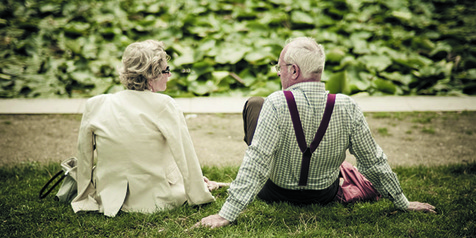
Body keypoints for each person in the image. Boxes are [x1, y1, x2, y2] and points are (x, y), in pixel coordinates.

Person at [196, 37, 436, 228]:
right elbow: (373, 160)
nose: (278, 72)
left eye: (280, 68)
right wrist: (402, 202)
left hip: (275, 191)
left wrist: (226, 214)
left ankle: (231, 186)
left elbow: (256, 161)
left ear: (293, 70)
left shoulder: (275, 103)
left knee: (254, 104)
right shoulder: (347, 105)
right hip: (324, 194)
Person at [71, 40, 222, 217]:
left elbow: (84, 158)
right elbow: (185, 155)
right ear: (152, 74)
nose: (170, 74)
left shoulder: (95, 104)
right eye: (166, 70)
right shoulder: (165, 105)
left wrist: (84, 197)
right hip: (156, 199)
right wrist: (199, 192)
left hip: (108, 197)